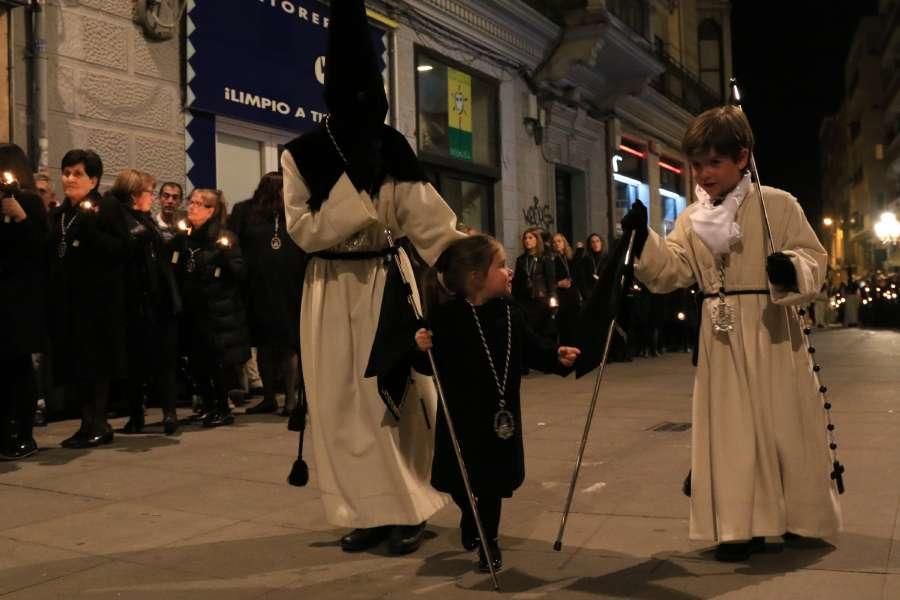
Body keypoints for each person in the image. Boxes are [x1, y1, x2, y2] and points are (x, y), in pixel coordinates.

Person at [281, 0, 463, 556]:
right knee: (339, 405)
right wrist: (356, 199)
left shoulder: (392, 148)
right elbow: (302, 230)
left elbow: (429, 221)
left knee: (391, 400)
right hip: (330, 292)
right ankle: (365, 510)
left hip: (387, 281)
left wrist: (471, 265)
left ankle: (405, 508)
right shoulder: (303, 154)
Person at [621, 105, 841, 561]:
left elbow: (815, 262)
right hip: (719, 339)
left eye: (713, 163)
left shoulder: (777, 205)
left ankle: (800, 517)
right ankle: (740, 527)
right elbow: (672, 270)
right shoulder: (691, 219)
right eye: (696, 164)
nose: (702, 175)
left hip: (772, 331)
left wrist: (790, 268)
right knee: (732, 432)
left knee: (785, 427)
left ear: (742, 158)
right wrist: (641, 239)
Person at [414, 235, 580, 572]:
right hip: (461, 419)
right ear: (476, 277)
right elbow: (426, 366)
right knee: (460, 482)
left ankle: (489, 539)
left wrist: (555, 356)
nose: (509, 272)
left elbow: (532, 348)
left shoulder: (509, 313)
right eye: (501, 266)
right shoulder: (448, 318)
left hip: (499, 419)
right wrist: (420, 347)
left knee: (491, 485)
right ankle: (468, 514)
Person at [49, 149, 129, 448]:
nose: (70, 179)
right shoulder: (58, 214)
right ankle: (86, 423)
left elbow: (122, 249)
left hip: (98, 302)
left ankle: (99, 422)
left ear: (94, 180)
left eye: (77, 174)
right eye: (66, 172)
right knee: (76, 365)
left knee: (96, 364)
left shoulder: (105, 207)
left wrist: (91, 230)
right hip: (67, 300)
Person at [110, 170, 181, 435]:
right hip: (137, 296)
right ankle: (137, 414)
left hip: (158, 297)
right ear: (134, 194)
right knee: (136, 361)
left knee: (165, 358)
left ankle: (169, 413)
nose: (152, 197)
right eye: (150, 192)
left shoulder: (146, 220)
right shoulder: (123, 217)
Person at [229, 172, 305, 416]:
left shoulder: (293, 212)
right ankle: (270, 397)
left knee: (288, 342)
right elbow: (234, 240)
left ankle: (291, 399)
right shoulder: (246, 211)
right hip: (258, 285)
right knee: (264, 343)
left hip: (288, 285)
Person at [172, 189, 250, 428]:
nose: (192, 207)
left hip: (217, 311)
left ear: (211, 211)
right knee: (197, 361)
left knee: (216, 362)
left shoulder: (223, 237)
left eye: (199, 204)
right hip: (193, 309)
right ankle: (207, 405)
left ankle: (222, 407)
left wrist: (225, 257)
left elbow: (240, 273)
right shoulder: (186, 236)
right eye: (191, 202)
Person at [0, 144, 47, 460]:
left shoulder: (29, 202)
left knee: (18, 367)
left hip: (19, 299)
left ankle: (23, 433)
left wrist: (21, 219)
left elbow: (41, 249)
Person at [511, 227, 556, 340]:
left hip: (540, 298)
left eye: (530, 238)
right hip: (524, 300)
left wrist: (553, 300)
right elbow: (517, 282)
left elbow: (550, 280)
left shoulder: (545, 258)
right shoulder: (521, 259)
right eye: (525, 238)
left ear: (537, 240)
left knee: (542, 330)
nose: (527, 240)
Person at [550, 233, 581, 345]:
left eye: (559, 241)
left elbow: (575, 273)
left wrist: (580, 251)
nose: (556, 244)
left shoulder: (569, 257)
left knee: (574, 324)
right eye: (554, 242)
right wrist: (558, 284)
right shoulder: (552, 259)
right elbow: (548, 279)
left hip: (572, 294)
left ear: (564, 243)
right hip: (560, 295)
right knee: (562, 325)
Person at [575, 233, 607, 303]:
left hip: (605, 293)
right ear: (590, 245)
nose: (596, 244)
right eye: (593, 242)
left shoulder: (607, 258)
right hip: (589, 295)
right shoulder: (585, 260)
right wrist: (587, 295)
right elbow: (582, 280)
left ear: (601, 243)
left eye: (597, 241)